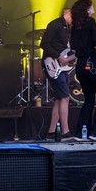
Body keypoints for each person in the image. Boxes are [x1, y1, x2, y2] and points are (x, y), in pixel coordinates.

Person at [70, 0, 96, 140]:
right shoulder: (91, 22)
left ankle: (81, 133)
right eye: (92, 6)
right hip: (92, 64)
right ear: (87, 8)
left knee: (89, 100)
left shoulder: (75, 25)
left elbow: (73, 47)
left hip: (80, 65)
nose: (94, 8)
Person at [40, 7, 75, 141]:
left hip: (62, 67)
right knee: (65, 97)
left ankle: (51, 132)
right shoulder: (55, 24)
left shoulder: (68, 29)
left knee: (59, 98)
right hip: (52, 64)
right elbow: (44, 44)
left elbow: (66, 49)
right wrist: (58, 57)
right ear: (69, 13)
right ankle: (65, 132)